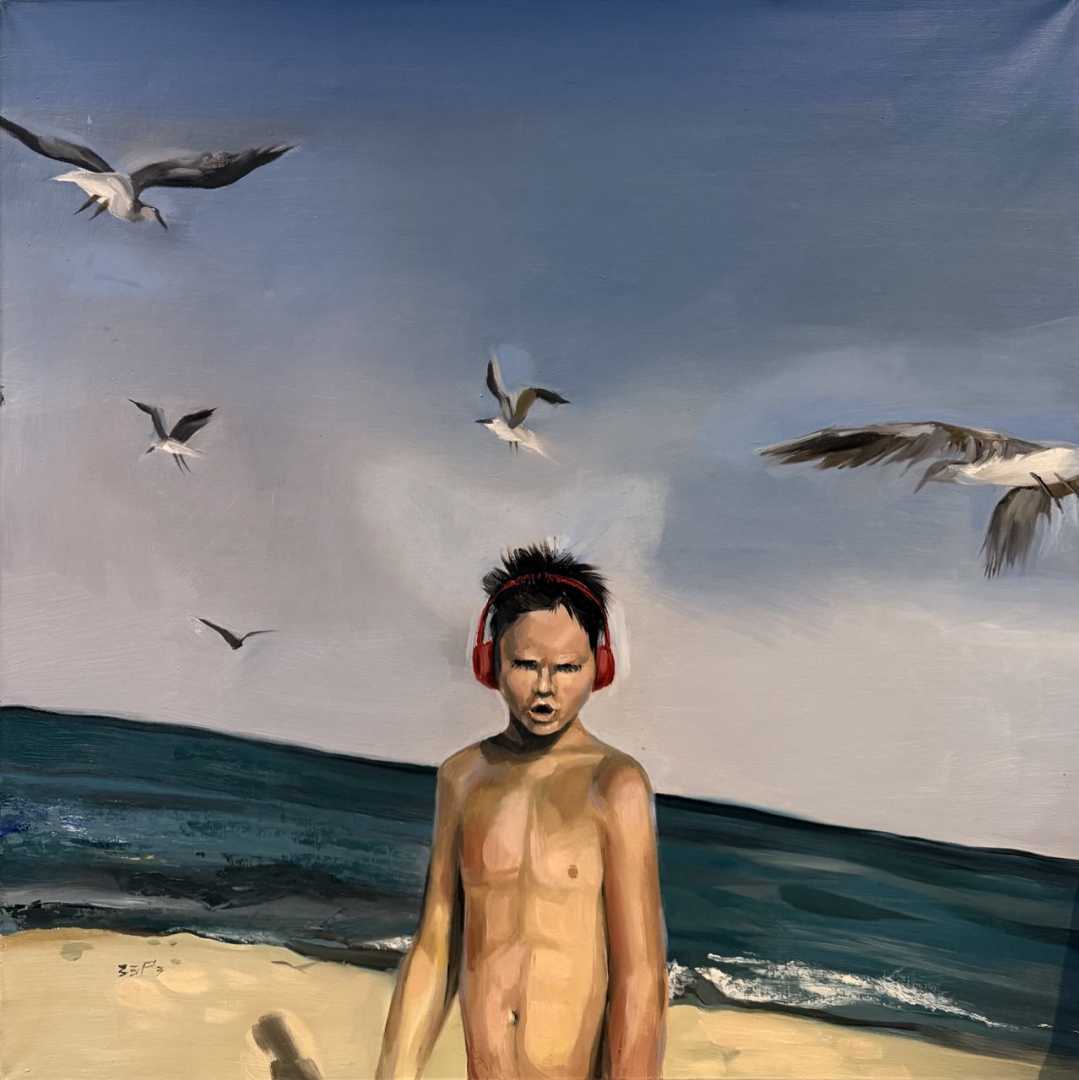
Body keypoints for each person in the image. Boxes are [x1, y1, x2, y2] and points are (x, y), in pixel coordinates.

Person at [376, 542, 668, 1079]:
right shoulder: (463, 777)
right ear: (489, 662)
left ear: (599, 668)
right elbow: (435, 949)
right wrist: (393, 1072)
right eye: (526, 664)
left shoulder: (614, 784)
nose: (545, 688)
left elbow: (639, 977)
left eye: (568, 667)